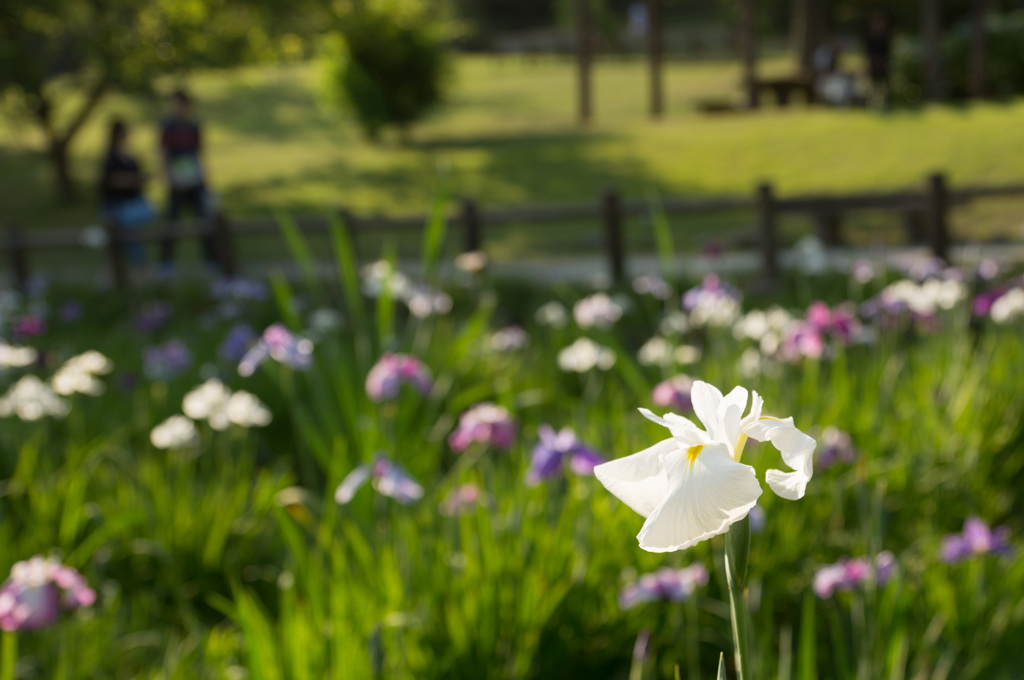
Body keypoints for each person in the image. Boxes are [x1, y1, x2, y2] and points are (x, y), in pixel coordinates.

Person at [160, 89, 217, 271]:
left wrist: (204, 176)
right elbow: (164, 154)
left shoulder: (193, 127)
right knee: (172, 221)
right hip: (177, 182)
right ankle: (166, 262)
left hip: (195, 180)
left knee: (204, 219)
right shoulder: (168, 128)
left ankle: (210, 260)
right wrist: (168, 175)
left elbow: (200, 153)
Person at [99, 119, 154, 264]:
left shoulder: (129, 156)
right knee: (127, 235)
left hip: (132, 204)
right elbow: (113, 181)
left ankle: (136, 268)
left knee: (127, 235)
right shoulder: (111, 157)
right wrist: (135, 179)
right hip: (117, 205)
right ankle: (140, 268)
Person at [865, 12, 892, 109]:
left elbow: (886, 51)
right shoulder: (871, 37)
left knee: (884, 84)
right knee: (873, 84)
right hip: (873, 63)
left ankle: (886, 102)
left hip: (882, 63)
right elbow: (869, 51)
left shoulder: (884, 36)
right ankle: (871, 102)